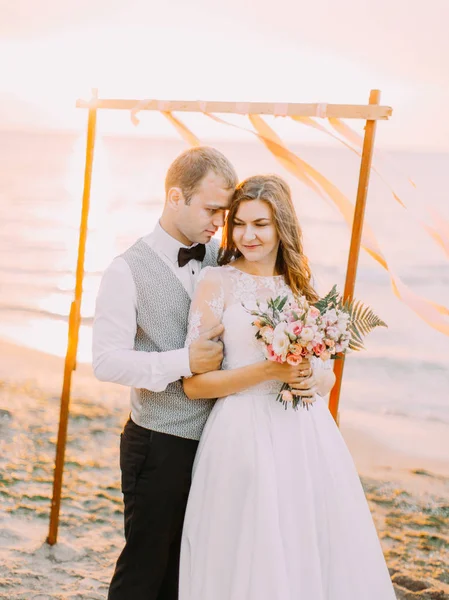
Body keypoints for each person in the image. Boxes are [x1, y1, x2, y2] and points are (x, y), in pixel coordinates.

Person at [179, 174, 397, 599]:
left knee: (305, 543)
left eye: (260, 224)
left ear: (282, 225)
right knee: (249, 548)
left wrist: (308, 376)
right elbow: (195, 385)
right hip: (241, 434)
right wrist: (268, 372)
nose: (247, 235)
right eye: (239, 224)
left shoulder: (300, 285)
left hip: (305, 434)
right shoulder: (216, 283)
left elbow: (326, 375)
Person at [93, 147, 247, 600]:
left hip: (222, 441)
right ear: (175, 196)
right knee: (145, 571)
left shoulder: (227, 259)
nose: (219, 222)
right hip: (159, 444)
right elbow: (106, 361)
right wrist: (184, 362)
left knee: (191, 571)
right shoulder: (126, 270)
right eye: (211, 209)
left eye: (225, 212)